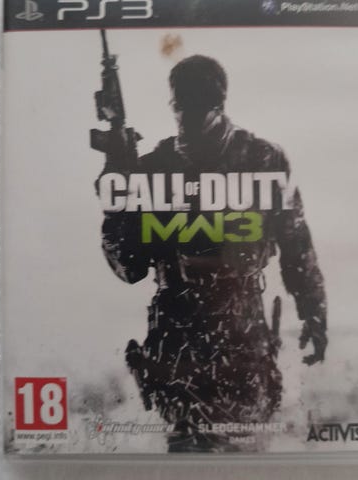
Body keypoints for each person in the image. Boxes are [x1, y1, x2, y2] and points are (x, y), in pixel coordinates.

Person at [99, 55, 327, 452]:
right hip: (178, 346)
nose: (186, 117)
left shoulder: (262, 160)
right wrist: (116, 190)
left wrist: (314, 313)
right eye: (182, 105)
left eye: (197, 105)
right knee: (188, 455)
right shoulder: (153, 169)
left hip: (241, 341)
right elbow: (129, 267)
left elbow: (296, 246)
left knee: (246, 450)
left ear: (219, 104)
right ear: (172, 105)